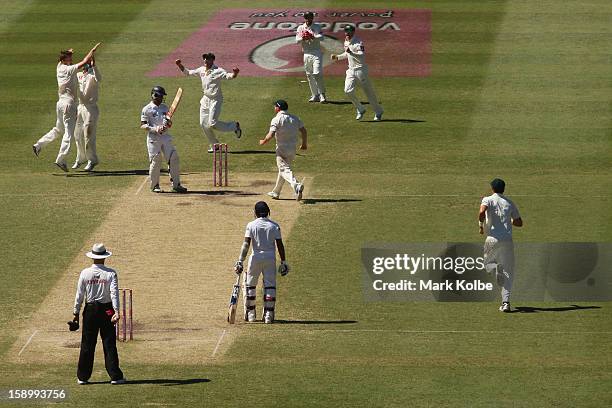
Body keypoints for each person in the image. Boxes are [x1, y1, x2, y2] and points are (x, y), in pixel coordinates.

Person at [33, 43, 101, 171]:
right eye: (68, 59)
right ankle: (61, 159)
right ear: (64, 60)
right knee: (69, 134)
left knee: (58, 129)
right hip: (69, 105)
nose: (71, 61)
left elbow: (68, 60)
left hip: (60, 104)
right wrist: (92, 51)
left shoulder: (59, 67)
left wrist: (69, 53)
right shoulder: (70, 70)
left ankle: (38, 145)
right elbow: (84, 61)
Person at [71, 243, 126, 385]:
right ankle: (115, 376)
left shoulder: (85, 273)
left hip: (90, 310)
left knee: (87, 344)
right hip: (107, 310)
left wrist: (76, 313)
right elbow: (114, 293)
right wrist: (117, 311)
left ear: (93, 257)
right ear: (104, 257)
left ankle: (82, 377)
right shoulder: (110, 273)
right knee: (109, 343)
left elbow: (80, 294)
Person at [234, 201, 289, 324]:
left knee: (250, 285)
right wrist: (283, 261)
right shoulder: (274, 226)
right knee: (270, 286)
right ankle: (268, 315)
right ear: (268, 212)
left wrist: (240, 260)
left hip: (255, 258)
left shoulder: (251, 225)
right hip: (270, 258)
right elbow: (280, 245)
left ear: (255, 213)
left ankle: (251, 314)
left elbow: (246, 244)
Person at [175, 53, 241, 153]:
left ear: (213, 60)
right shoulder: (201, 70)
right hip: (205, 99)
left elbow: (228, 76)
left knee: (212, 123)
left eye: (208, 59)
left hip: (215, 99)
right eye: (204, 58)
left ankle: (234, 126)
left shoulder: (218, 71)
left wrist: (235, 74)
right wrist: (179, 65)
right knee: (203, 124)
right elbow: (188, 73)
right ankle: (215, 145)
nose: (205, 60)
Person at [479, 178, 523, 312]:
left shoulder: (487, 199)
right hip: (507, 241)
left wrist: (481, 225)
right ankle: (506, 303)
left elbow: (481, 212)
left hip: (491, 239)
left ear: (492, 189)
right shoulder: (510, 203)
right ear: (503, 189)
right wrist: (509, 220)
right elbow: (519, 223)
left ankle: (496, 268)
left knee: (487, 265)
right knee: (508, 272)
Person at [140, 86, 187, 193]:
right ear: (154, 95)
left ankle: (176, 185)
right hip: (153, 139)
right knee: (156, 161)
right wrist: (155, 129)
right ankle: (155, 186)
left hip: (165, 137)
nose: (162, 98)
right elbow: (143, 125)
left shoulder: (165, 108)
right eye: (161, 96)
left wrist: (168, 124)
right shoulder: (147, 109)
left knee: (173, 158)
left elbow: (169, 123)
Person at [331, 26, 383, 121]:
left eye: (349, 31)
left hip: (360, 70)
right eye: (345, 31)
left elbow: (361, 55)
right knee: (347, 90)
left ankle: (378, 111)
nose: (346, 33)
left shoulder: (358, 42)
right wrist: (337, 57)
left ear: (353, 32)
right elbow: (347, 54)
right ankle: (360, 108)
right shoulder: (346, 42)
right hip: (351, 70)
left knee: (368, 92)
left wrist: (351, 52)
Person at [259, 100, 306, 201]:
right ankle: (276, 192)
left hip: (281, 148)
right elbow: (303, 130)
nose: (274, 108)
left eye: (275, 106)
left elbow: (271, 134)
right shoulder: (295, 118)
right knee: (283, 169)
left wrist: (264, 141)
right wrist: (304, 143)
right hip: (292, 149)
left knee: (284, 169)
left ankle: (296, 185)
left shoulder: (277, 119)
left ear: (278, 108)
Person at [73, 55, 101, 171]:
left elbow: (99, 78)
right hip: (80, 107)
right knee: (76, 134)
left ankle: (92, 160)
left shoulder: (92, 76)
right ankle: (80, 158)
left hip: (90, 109)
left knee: (88, 136)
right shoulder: (78, 75)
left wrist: (94, 66)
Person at [296, 11, 326, 103]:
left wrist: (312, 36)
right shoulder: (301, 27)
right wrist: (303, 38)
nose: (308, 19)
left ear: (312, 18)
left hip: (316, 52)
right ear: (304, 18)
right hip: (306, 53)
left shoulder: (317, 26)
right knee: (309, 75)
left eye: (310, 17)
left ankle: (322, 95)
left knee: (317, 73)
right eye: (306, 17)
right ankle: (315, 95)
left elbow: (322, 37)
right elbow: (297, 40)